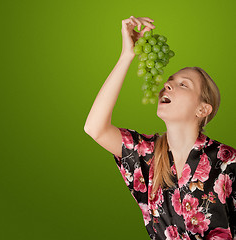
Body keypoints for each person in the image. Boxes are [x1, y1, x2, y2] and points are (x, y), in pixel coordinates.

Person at [84, 16, 236, 239]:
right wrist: (127, 55)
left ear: (202, 110)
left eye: (183, 84)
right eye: (170, 81)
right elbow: (94, 128)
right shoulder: (146, 155)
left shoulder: (227, 162)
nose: (167, 84)